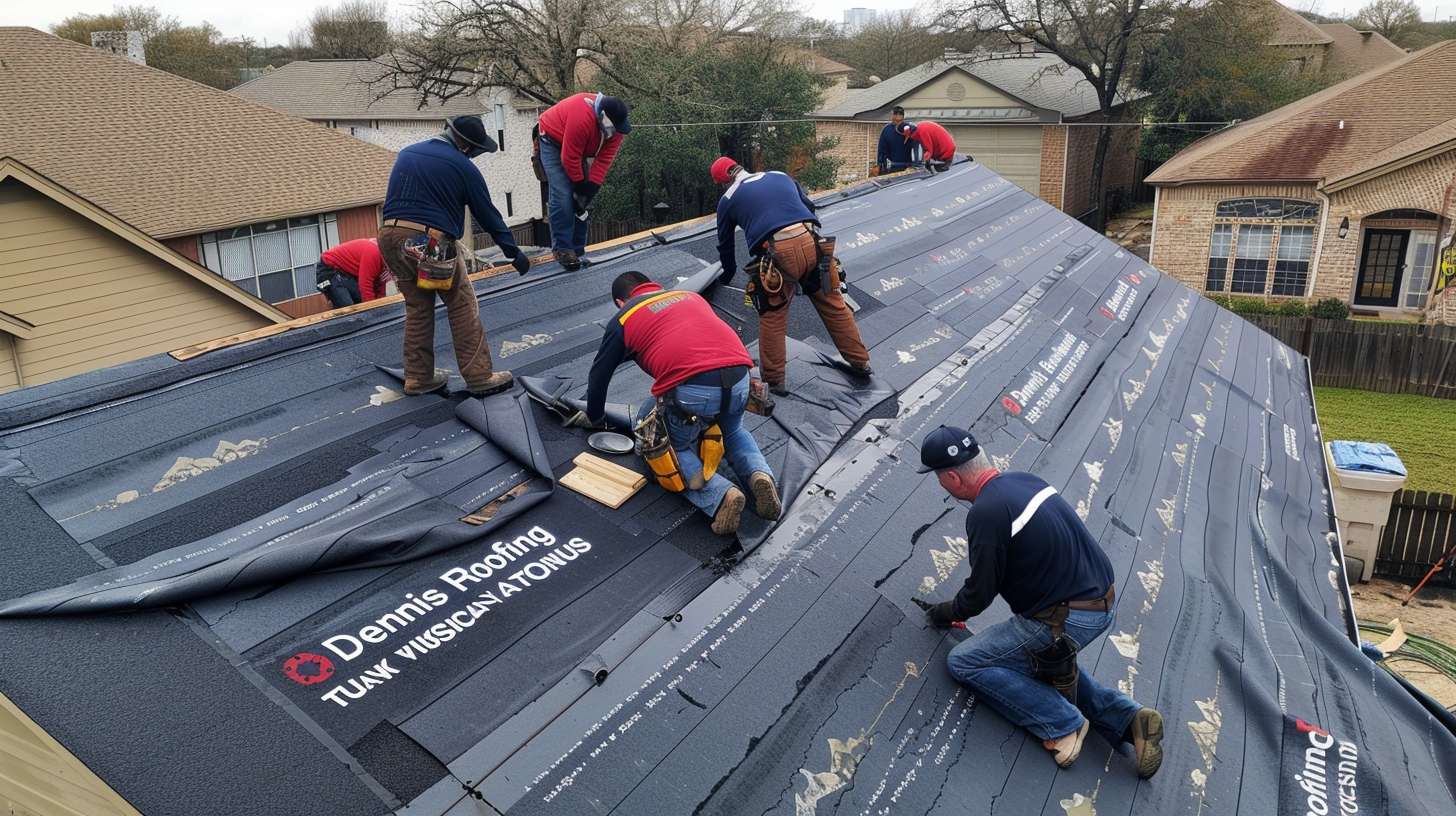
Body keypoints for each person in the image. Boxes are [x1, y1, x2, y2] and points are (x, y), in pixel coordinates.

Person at [918, 426, 1164, 778]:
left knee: (966, 661)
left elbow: (980, 594)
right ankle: (1129, 718)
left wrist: (946, 612)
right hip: (1101, 599)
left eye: (939, 478)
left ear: (953, 477)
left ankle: (1062, 723)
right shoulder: (1025, 480)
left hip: (1066, 616)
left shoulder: (986, 512)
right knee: (1038, 661)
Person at [571, 271, 781, 537]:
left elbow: (599, 374)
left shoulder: (624, 317)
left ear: (619, 302)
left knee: (667, 445)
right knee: (734, 431)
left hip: (693, 387)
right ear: (654, 286)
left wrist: (596, 417)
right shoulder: (689, 296)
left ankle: (720, 495)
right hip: (740, 374)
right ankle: (760, 476)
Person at [378, 115, 529, 396]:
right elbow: (488, 215)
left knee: (418, 306)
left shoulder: (409, 153)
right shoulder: (462, 166)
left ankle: (418, 377)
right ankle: (479, 376)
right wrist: (514, 252)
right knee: (460, 303)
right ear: (467, 145)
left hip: (389, 237)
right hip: (428, 240)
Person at [710, 157, 871, 395]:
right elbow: (809, 206)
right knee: (833, 303)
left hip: (779, 252)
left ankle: (774, 382)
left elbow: (725, 246)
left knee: (773, 315)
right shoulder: (778, 174)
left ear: (723, 182)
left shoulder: (728, 199)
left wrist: (725, 278)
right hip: (812, 241)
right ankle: (860, 361)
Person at [537, 92, 632, 271]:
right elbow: (569, 157)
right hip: (552, 139)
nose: (616, 133)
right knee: (563, 195)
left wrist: (590, 189)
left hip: (582, 145)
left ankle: (578, 249)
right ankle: (563, 249)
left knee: (581, 201)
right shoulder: (581, 116)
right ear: (602, 117)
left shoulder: (616, 128)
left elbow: (604, 160)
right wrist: (580, 184)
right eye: (614, 128)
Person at [315, 238, 389, 308]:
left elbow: (380, 286)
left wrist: (381, 306)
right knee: (347, 306)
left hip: (346, 273)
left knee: (360, 299)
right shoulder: (374, 253)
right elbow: (365, 285)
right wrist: (372, 311)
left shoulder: (386, 261)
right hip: (328, 269)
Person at [877, 106, 918, 174]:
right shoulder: (887, 130)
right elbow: (881, 151)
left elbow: (916, 145)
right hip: (891, 168)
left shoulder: (909, 128)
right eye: (896, 120)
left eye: (900, 120)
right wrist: (880, 165)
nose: (898, 122)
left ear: (903, 117)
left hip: (908, 168)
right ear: (892, 116)